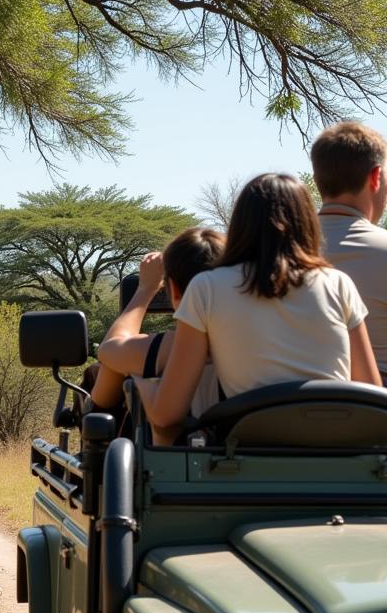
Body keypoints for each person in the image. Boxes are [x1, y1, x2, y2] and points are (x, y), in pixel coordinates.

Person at [138, 173, 380, 441]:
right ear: (307, 224)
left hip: (247, 457)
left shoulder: (207, 287)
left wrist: (138, 386)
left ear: (241, 224)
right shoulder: (338, 283)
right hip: (337, 450)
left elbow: (167, 415)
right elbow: (370, 391)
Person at [90, 227, 224, 413]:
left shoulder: (167, 348)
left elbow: (108, 352)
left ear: (174, 291)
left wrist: (145, 290)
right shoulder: (259, 342)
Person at [311, 121, 387, 377]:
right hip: (377, 407)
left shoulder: (275, 252)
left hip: (286, 407)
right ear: (376, 177)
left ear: (317, 179)